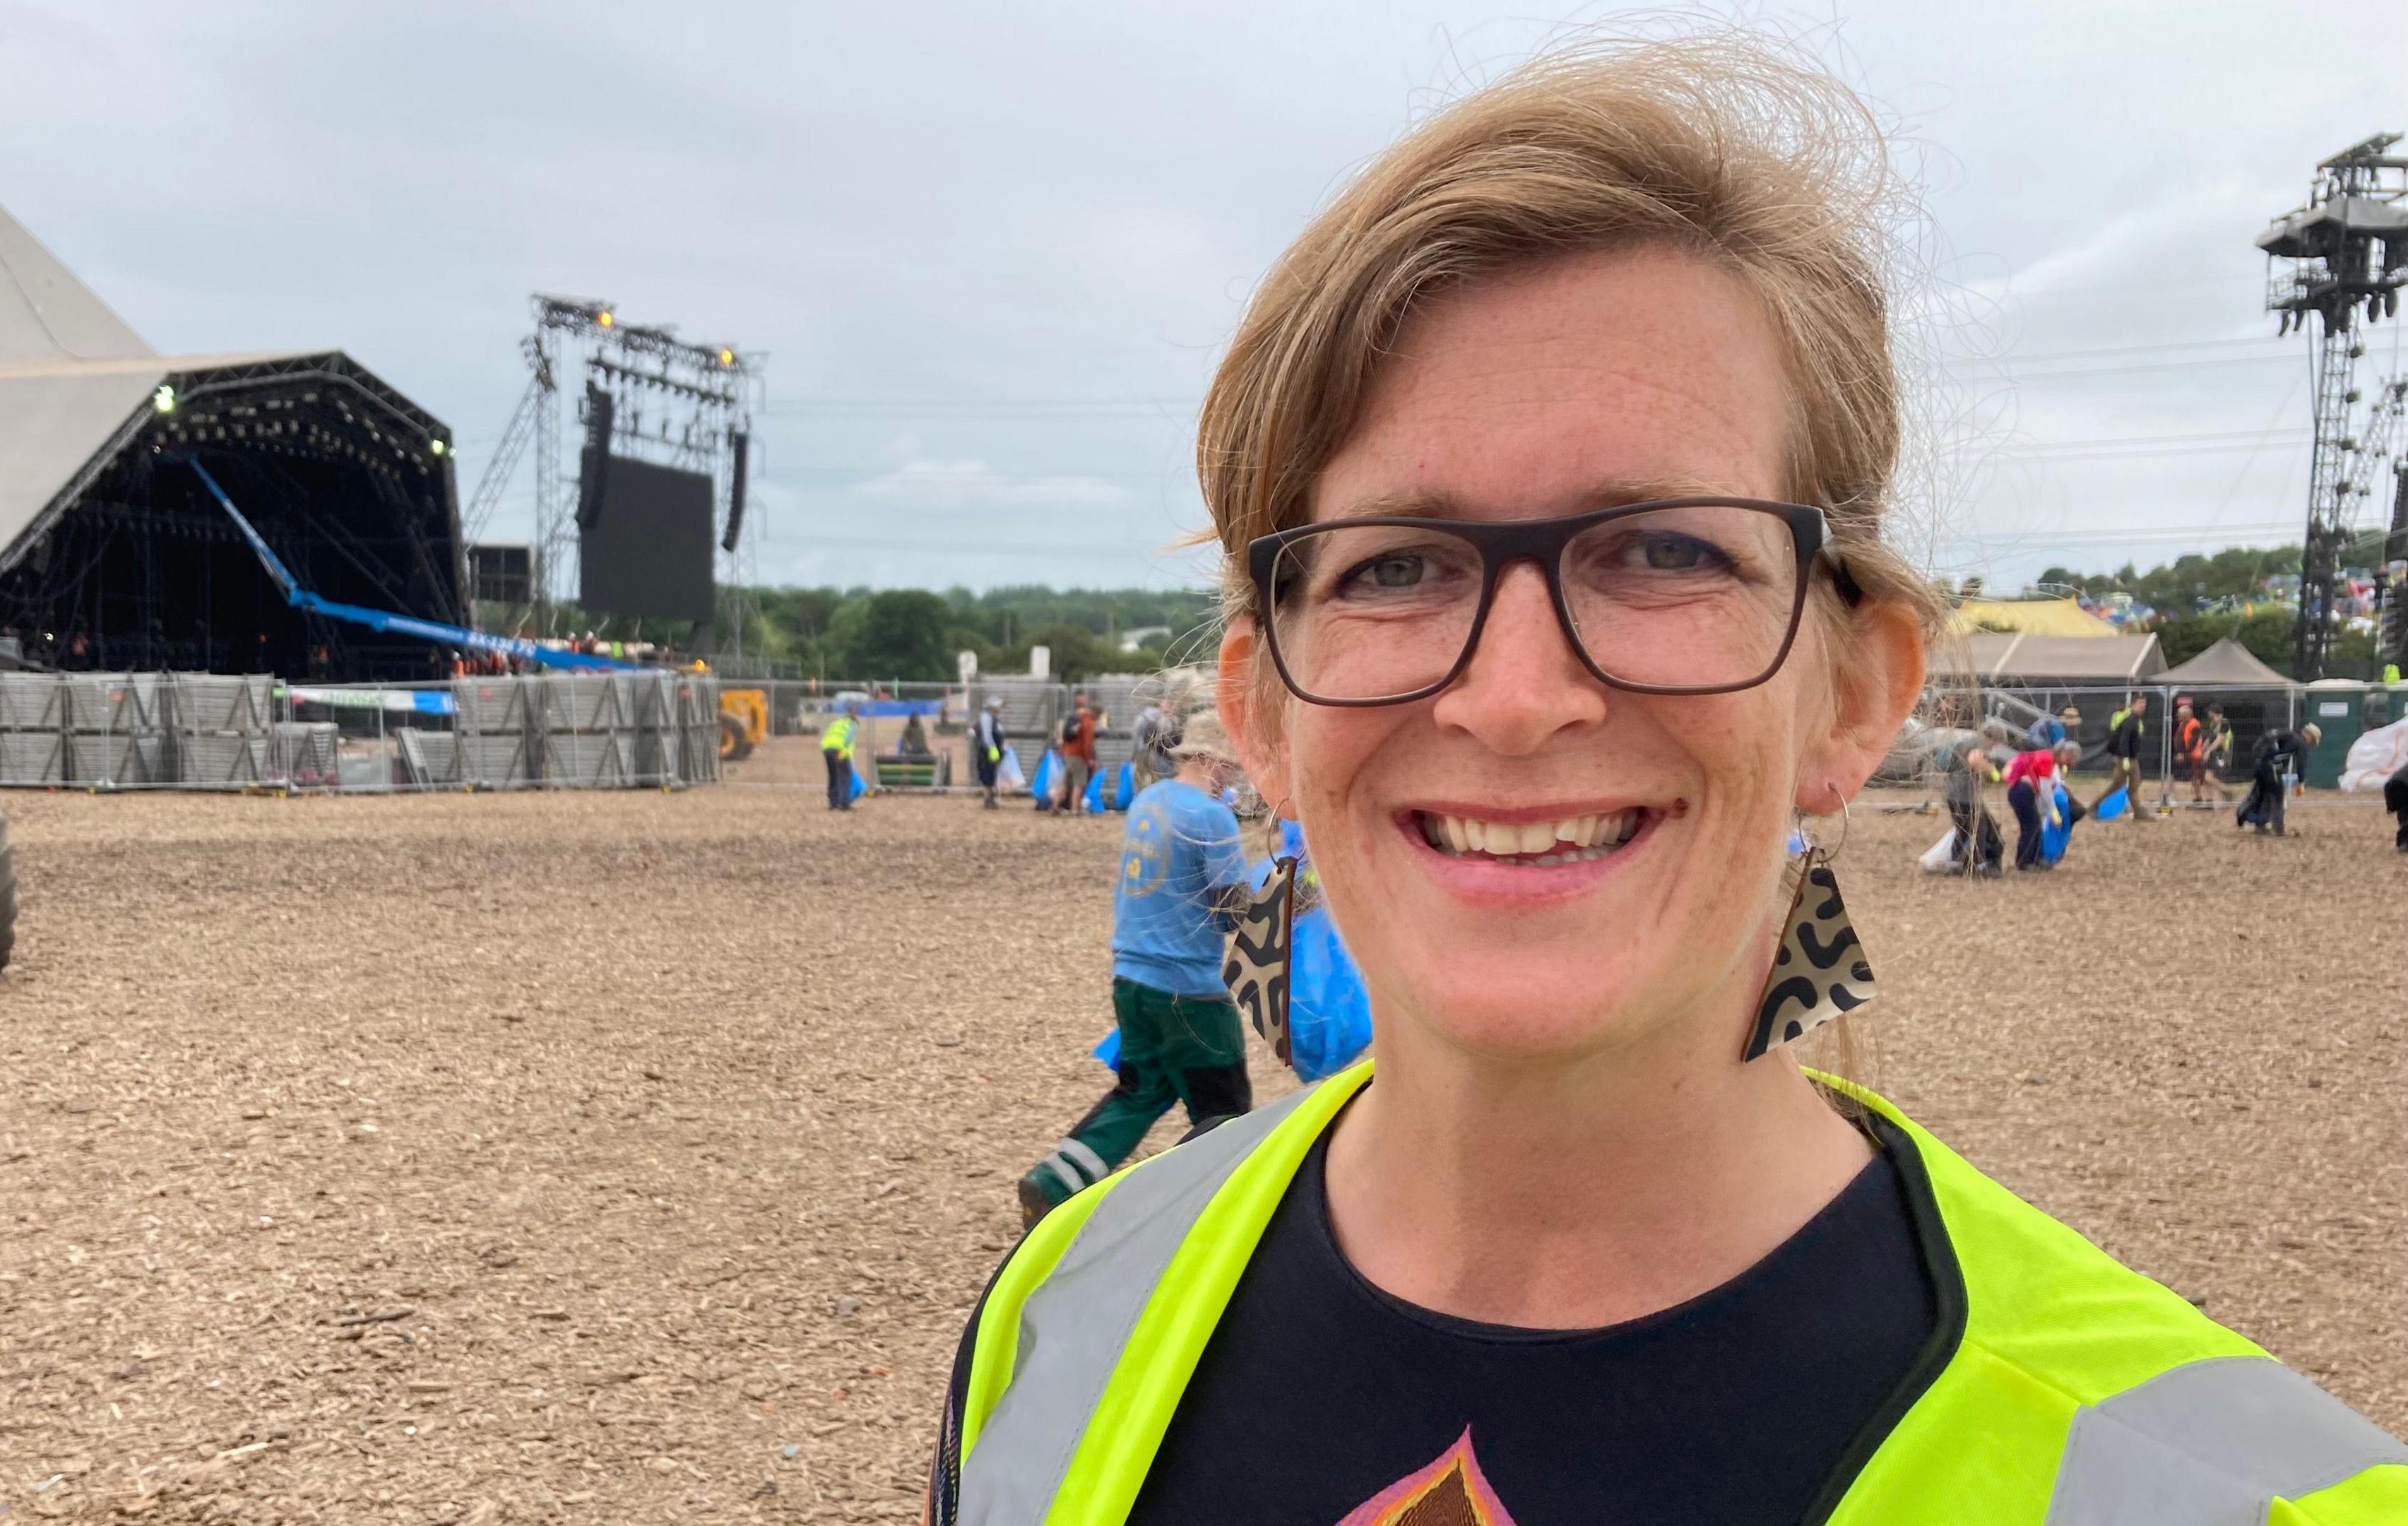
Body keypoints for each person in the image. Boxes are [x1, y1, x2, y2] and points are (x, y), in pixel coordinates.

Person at [928, 41, 2402, 1526]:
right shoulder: (1065, 1312)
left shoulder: (2246, 1495)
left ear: (1856, 690)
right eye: (1394, 567)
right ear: (1262, 710)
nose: (1512, 700)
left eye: (1664, 551)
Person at [1016, 710, 1252, 1226]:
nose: (1234, 775)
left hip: (1132, 977)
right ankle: (1215, 1207)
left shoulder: (1148, 802)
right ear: (1213, 760)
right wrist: (1290, 899)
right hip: (1188, 989)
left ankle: (1055, 1181)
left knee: (1143, 1089)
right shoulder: (1212, 817)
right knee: (1225, 1110)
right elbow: (1234, 909)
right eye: (1232, 766)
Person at [2003, 740, 2077, 872]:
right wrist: (2054, 813)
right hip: (2022, 792)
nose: (2069, 762)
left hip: (2023, 792)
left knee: (2035, 826)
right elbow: (2045, 790)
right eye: (2069, 757)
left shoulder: (2047, 758)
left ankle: (2033, 859)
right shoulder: (2047, 759)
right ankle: (2024, 862)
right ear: (2062, 753)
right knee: (2031, 827)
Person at [2236, 722, 2317, 836]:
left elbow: (2262, 742)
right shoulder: (2300, 742)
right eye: (2312, 741)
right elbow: (2301, 764)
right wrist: (2301, 782)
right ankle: (2278, 829)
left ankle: (2257, 822)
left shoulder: (2287, 734)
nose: (2310, 744)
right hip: (2273, 769)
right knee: (2277, 797)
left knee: (2263, 795)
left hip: (2260, 765)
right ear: (2309, 735)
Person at [1939, 737, 2002, 875]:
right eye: (1997, 742)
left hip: (1952, 793)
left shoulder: (1967, 743)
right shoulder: (1979, 745)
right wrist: (1994, 772)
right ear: (1991, 737)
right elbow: (1974, 760)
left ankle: (1956, 863)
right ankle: (1978, 865)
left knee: (1962, 829)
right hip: (1965, 796)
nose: (1995, 746)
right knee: (1980, 828)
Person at [2100, 692, 2147, 817]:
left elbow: (2135, 735)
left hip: (2132, 756)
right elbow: (2122, 738)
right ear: (2132, 705)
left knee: (2133, 786)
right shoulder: (2127, 719)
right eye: (2140, 704)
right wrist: (2125, 757)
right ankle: (2098, 806)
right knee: (2117, 785)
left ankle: (2139, 813)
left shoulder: (2136, 720)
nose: (2143, 706)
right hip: (2124, 757)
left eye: (2144, 704)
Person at [1055, 690, 1099, 814]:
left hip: (1069, 754)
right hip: (1079, 756)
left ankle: (1055, 806)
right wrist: (1089, 759)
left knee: (1065, 782)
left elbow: (1066, 737)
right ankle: (1075, 809)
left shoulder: (1075, 717)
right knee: (1079, 784)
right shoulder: (1088, 722)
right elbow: (1087, 743)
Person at [1130, 694, 1178, 794]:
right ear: (1160, 702)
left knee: (1142, 786)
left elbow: (1135, 739)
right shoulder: (1161, 718)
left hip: (1141, 756)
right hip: (1159, 758)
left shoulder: (1140, 717)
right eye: (1168, 703)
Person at [818, 703, 858, 812]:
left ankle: (833, 802)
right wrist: (844, 751)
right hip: (839, 749)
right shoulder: (852, 724)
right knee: (845, 776)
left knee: (833, 775)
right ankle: (844, 803)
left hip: (827, 748)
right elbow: (849, 738)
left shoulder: (837, 723)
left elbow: (827, 734)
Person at [971, 697, 1009, 810]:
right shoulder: (986, 717)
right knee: (987, 775)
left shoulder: (993, 718)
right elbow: (987, 736)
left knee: (991, 774)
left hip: (994, 750)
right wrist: (992, 749)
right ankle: (988, 800)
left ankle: (990, 799)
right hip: (987, 751)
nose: (1000, 708)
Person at [2387, 758, 2408, 853]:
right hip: (2401, 785)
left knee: (2404, 814)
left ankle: (2403, 843)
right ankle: (2404, 844)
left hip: (2393, 785)